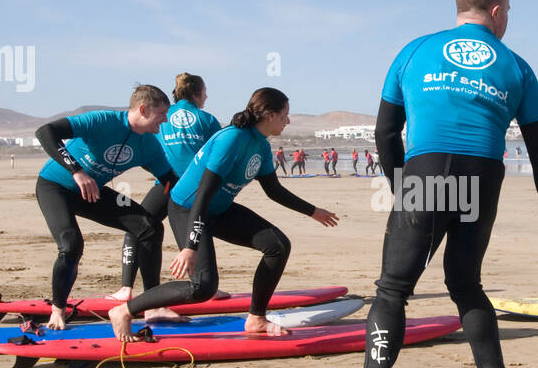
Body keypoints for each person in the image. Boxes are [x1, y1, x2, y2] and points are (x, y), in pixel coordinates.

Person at [325, 0, 538, 368]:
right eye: (509, 14)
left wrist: (404, 188)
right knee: (465, 283)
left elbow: (385, 133)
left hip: (426, 171)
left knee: (393, 289)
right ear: (497, 12)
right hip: (483, 176)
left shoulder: (414, 51)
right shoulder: (517, 66)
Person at [108, 89, 338, 339]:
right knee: (203, 287)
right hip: (188, 208)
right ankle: (125, 310)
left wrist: (313, 211)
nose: (288, 121)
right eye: (285, 115)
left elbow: (274, 191)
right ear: (271, 115)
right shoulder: (232, 139)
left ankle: (256, 318)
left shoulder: (260, 145)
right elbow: (203, 194)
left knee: (278, 245)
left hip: (218, 209)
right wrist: (190, 246)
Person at [35, 86, 176, 329]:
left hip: (90, 192)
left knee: (150, 228)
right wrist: (76, 171)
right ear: (143, 109)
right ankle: (58, 309)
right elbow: (45, 132)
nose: (166, 119)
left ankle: (152, 305)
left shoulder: (149, 146)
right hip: (55, 185)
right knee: (71, 245)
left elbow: (169, 183)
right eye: (162, 113)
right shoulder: (101, 120)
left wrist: (193, 200)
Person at [112, 73, 222, 316]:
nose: (206, 97)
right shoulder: (206, 119)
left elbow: (146, 145)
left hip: (166, 183)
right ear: (196, 94)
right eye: (204, 93)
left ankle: (126, 288)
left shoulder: (162, 115)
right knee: (196, 229)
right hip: (193, 187)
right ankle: (207, 286)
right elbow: (218, 155)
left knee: (137, 226)